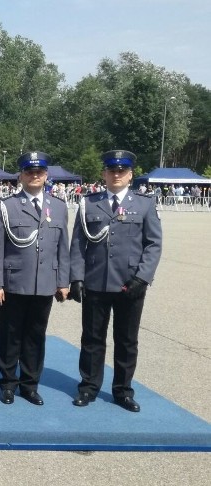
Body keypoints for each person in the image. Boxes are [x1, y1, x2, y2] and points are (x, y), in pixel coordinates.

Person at [68, 150, 163, 412]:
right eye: (112, 170)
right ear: (104, 174)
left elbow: (153, 244)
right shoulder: (89, 203)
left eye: (122, 171)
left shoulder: (144, 204)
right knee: (92, 339)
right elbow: (78, 243)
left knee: (127, 340)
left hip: (129, 283)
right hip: (96, 282)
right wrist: (76, 276)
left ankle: (123, 391)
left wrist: (142, 277)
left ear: (130, 174)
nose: (116, 174)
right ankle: (88, 387)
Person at [0, 152, 70, 406]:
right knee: (10, 335)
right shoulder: (6, 206)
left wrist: (63, 281)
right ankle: (9, 383)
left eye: (39, 172)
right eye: (29, 172)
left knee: (36, 336)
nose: (35, 176)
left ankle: (30, 385)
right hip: (13, 283)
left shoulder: (58, 207)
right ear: (21, 176)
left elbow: (62, 247)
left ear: (46, 176)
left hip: (44, 283)